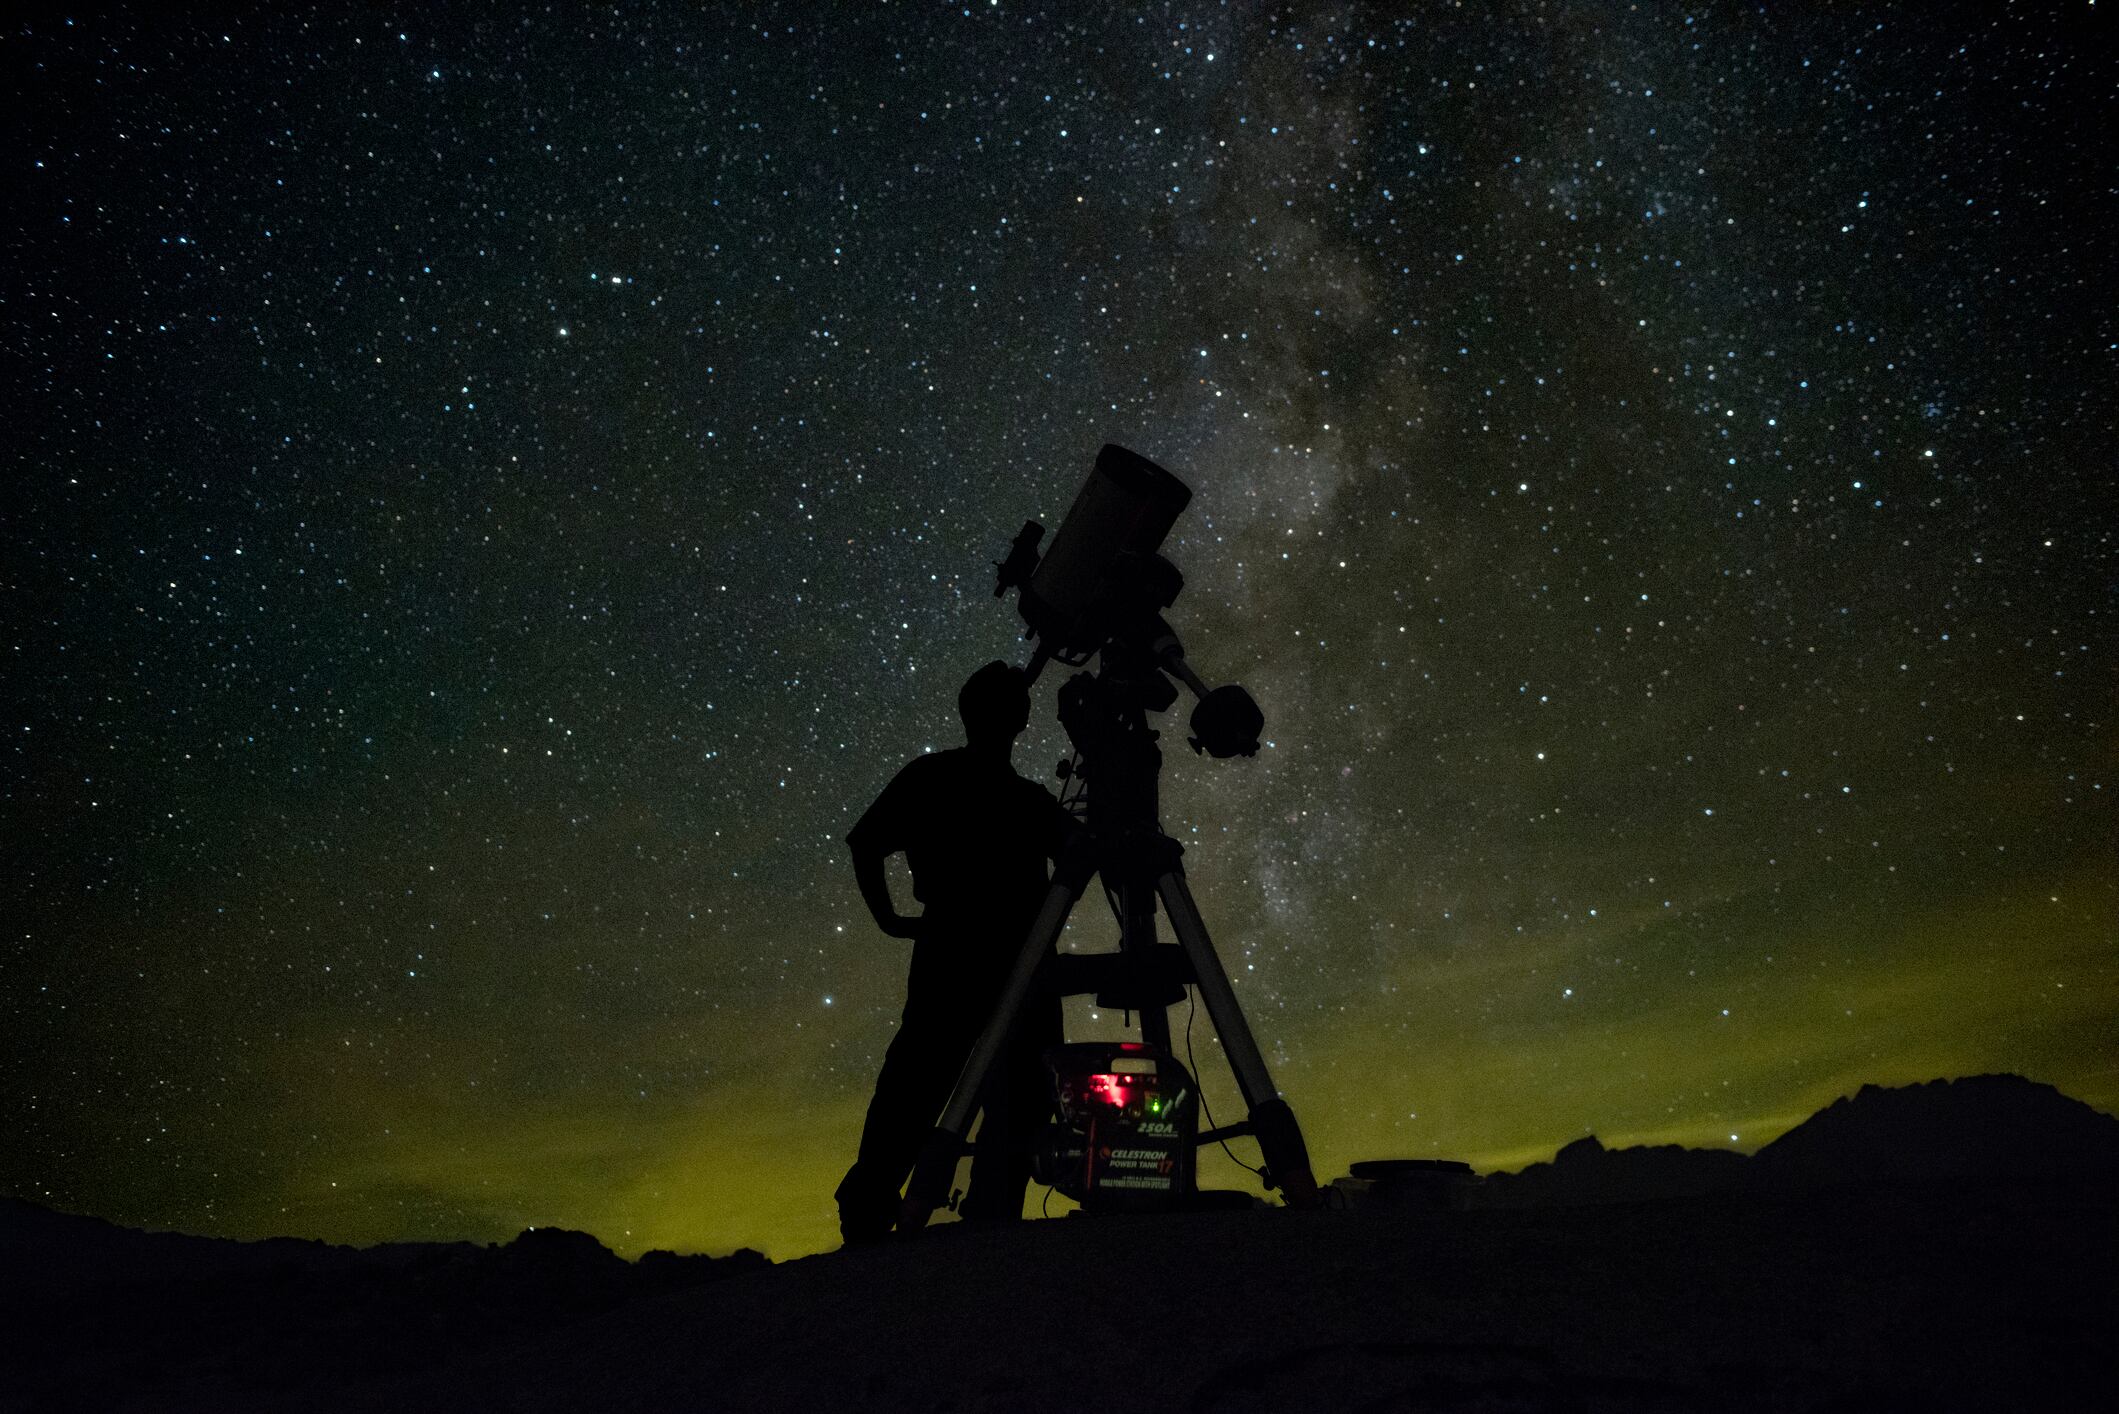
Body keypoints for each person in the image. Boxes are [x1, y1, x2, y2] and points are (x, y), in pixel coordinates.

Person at [834, 660, 1077, 1243]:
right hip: (1012, 958)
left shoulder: (933, 776)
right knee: (979, 1087)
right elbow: (865, 844)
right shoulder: (1026, 800)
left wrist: (892, 920)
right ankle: (986, 1216)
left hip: (963, 950)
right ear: (1017, 720)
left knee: (919, 1084)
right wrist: (891, 920)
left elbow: (866, 844)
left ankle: (872, 1216)